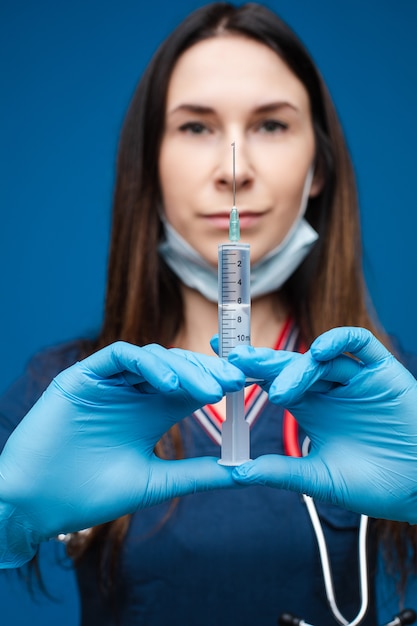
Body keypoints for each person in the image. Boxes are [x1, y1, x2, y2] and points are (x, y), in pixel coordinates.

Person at [0, 3, 416, 625]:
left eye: (271, 125)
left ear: (320, 166)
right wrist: (8, 516)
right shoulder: (69, 394)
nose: (235, 170)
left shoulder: (384, 395)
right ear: (151, 164)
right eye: (196, 127)